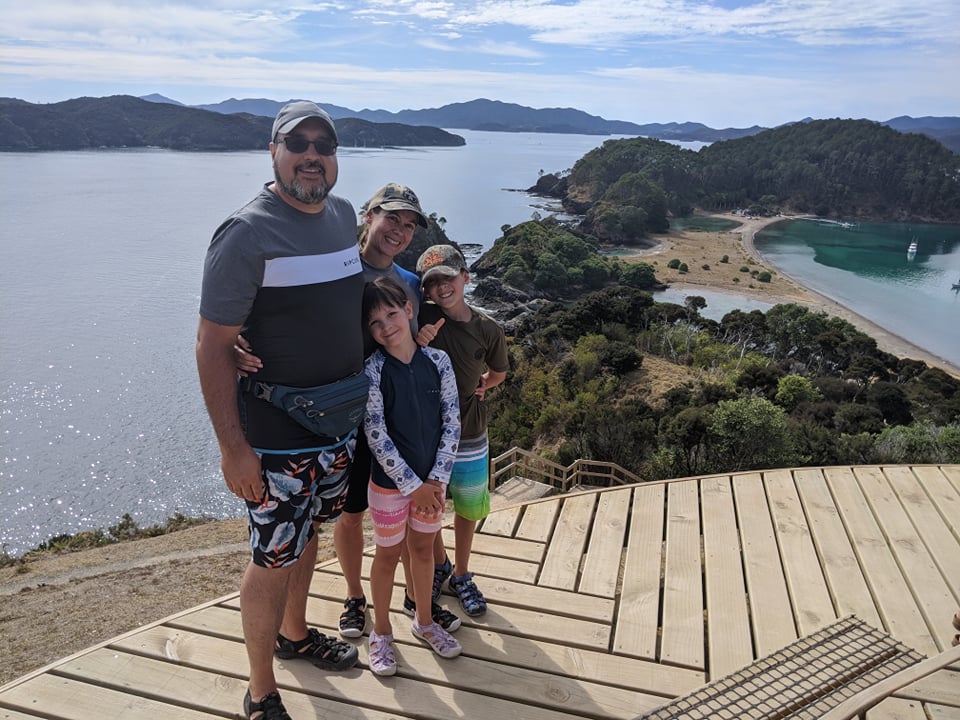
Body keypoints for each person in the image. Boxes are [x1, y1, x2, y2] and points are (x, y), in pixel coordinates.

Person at [197, 101, 363, 720]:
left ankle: (295, 636)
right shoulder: (246, 233)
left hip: (335, 428)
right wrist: (233, 448)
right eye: (300, 143)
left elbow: (361, 288)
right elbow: (213, 344)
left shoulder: (343, 216)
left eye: (325, 144)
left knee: (308, 537)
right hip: (274, 439)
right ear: (274, 150)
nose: (313, 155)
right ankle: (260, 690)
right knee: (271, 558)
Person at [235, 183, 461, 638]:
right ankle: (355, 597)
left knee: (416, 501)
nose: (398, 230)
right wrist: (240, 341)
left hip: (393, 420)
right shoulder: (332, 270)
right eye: (391, 218)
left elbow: (421, 338)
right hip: (336, 422)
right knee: (350, 514)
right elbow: (278, 308)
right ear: (368, 214)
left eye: (409, 223)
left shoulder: (411, 284)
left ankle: (419, 602)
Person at [360, 277, 463, 675]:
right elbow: (376, 434)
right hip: (389, 487)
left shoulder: (438, 362)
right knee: (387, 556)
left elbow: (452, 422)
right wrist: (414, 486)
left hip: (432, 486)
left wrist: (435, 481)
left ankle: (424, 622)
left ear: (408, 309)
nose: (387, 327)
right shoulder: (373, 371)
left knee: (423, 553)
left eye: (391, 314)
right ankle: (382, 632)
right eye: (375, 323)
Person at [415, 244, 510, 617]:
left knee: (468, 508)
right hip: (429, 433)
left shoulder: (487, 328)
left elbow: (499, 372)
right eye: (433, 283)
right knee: (431, 505)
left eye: (449, 278)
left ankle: (462, 573)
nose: (442, 288)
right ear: (425, 291)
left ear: (466, 278)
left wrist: (485, 384)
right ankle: (439, 563)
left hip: (470, 432)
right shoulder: (419, 318)